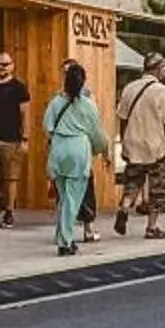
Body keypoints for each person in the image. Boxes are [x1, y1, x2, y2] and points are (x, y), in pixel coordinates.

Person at [43, 59, 110, 255]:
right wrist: (102, 152)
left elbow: (47, 128)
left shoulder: (56, 102)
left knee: (64, 197)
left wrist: (57, 140)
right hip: (78, 149)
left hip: (58, 149)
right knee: (73, 199)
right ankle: (65, 242)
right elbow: (98, 134)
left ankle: (61, 234)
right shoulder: (87, 104)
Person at [113, 52, 165, 239]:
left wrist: (125, 141)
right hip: (156, 146)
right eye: (164, 68)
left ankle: (125, 207)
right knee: (159, 187)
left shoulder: (129, 89)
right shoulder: (164, 92)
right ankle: (152, 227)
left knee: (133, 180)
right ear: (157, 69)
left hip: (133, 143)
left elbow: (123, 119)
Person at [0, 51, 30, 226]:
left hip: (12, 138)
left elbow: (25, 113)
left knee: (11, 177)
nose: (1, 68)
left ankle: (9, 210)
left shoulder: (19, 87)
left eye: (5, 64)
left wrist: (25, 137)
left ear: (12, 65)